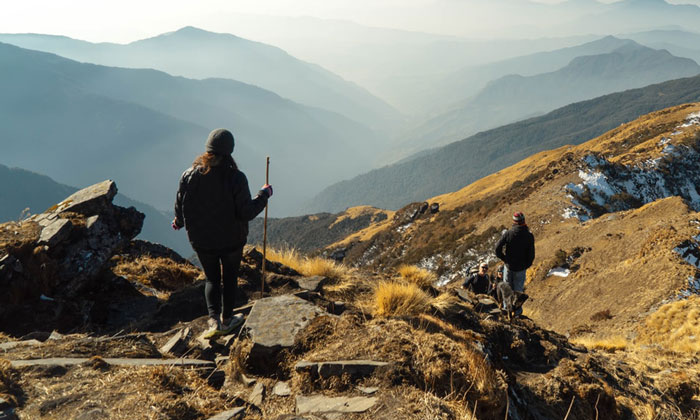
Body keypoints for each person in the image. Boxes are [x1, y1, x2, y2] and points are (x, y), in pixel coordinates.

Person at [173, 128, 272, 338]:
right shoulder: (236, 178)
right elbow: (246, 212)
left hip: (201, 240)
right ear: (230, 151)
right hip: (231, 240)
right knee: (229, 279)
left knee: (211, 279)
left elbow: (181, 203)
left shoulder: (189, 175)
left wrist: (179, 221)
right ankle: (227, 321)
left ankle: (213, 320)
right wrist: (264, 195)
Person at [494, 211, 535, 301]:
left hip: (509, 266)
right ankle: (516, 312)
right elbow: (531, 254)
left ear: (514, 221)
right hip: (520, 268)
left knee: (507, 291)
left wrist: (504, 259)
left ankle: (506, 310)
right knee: (518, 292)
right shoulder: (529, 235)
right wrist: (526, 265)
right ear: (523, 221)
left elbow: (497, 248)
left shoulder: (508, 233)